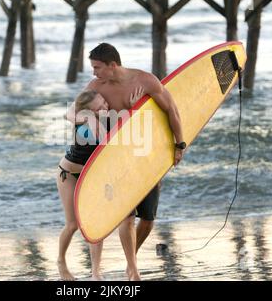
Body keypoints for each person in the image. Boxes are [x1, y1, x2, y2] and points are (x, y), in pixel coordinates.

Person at [66, 43, 186, 280]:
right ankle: (132, 268)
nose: (94, 73)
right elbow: (75, 114)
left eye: (97, 67)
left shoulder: (145, 81)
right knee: (127, 216)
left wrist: (179, 144)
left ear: (113, 65)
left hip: (145, 156)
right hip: (115, 158)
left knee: (148, 219)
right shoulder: (96, 87)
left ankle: (132, 258)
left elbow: (171, 109)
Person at [57, 89, 143, 281]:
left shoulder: (101, 120)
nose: (106, 106)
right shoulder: (87, 127)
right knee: (72, 225)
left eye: (104, 102)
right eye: (100, 107)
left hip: (94, 176)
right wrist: (131, 112)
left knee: (97, 222)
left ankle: (96, 273)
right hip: (70, 175)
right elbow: (115, 140)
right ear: (89, 112)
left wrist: (133, 107)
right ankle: (61, 262)